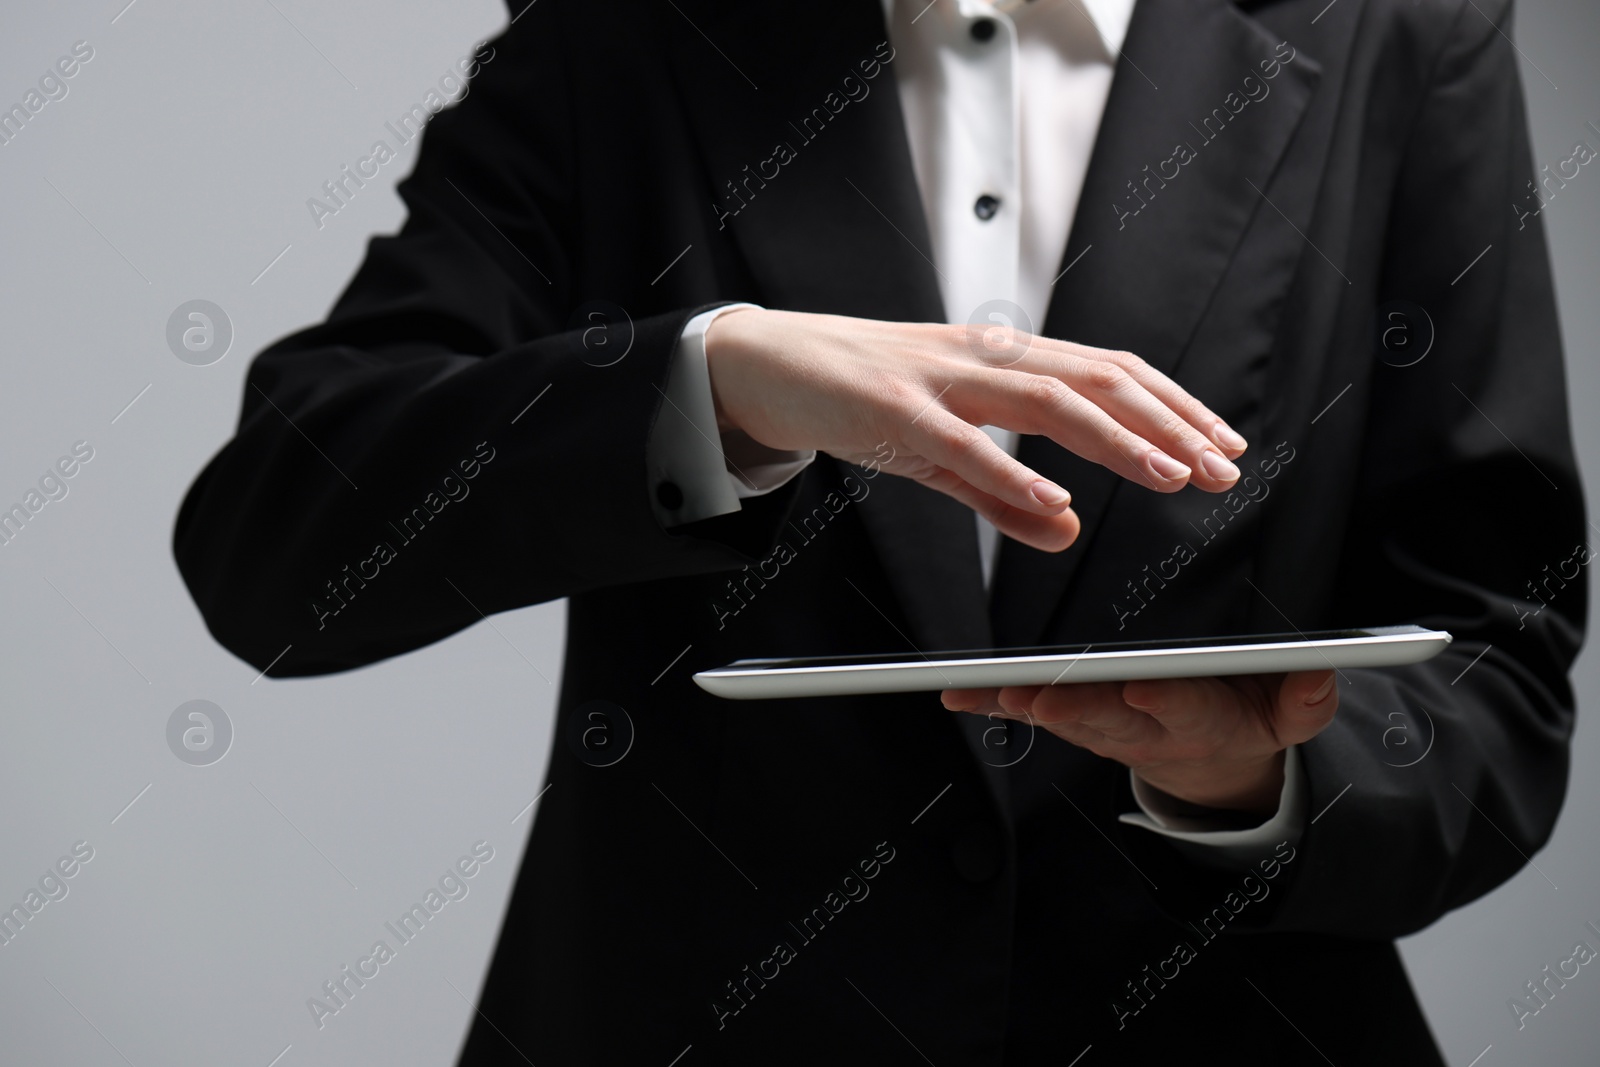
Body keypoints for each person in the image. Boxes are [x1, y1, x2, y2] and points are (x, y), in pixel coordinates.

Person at [174, 0, 1585, 1062]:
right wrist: (703, 386)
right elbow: (274, 548)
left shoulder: (1406, 29)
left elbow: (1499, 681)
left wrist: (1251, 779)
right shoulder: (628, 30)